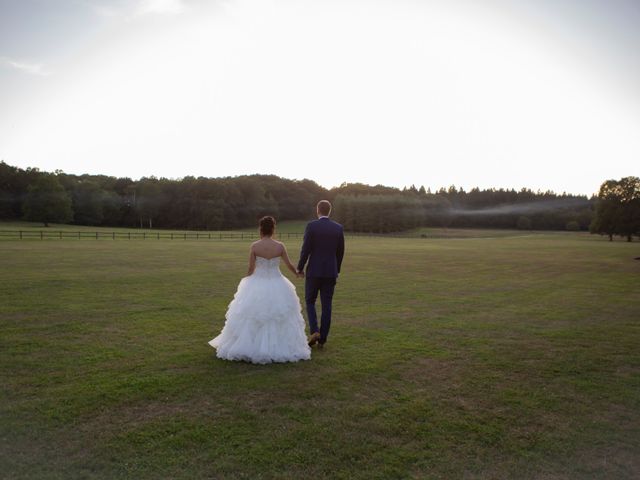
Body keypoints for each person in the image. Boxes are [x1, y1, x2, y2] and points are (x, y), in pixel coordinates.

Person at [209, 216, 311, 364]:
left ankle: (250, 346)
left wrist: (247, 281)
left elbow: (251, 268)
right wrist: (297, 273)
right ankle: (278, 347)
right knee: (278, 316)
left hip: (258, 281)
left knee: (252, 315)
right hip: (278, 282)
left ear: (261, 229)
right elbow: (289, 265)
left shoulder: (255, 246)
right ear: (273, 229)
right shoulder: (280, 246)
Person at [297, 200, 345, 348]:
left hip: (314, 271)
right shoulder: (338, 228)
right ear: (329, 211)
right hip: (330, 272)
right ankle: (322, 339)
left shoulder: (312, 226)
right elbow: (340, 252)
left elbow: (306, 249)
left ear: (318, 210)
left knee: (310, 301)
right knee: (327, 305)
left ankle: (314, 331)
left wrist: (300, 267)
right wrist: (336, 269)